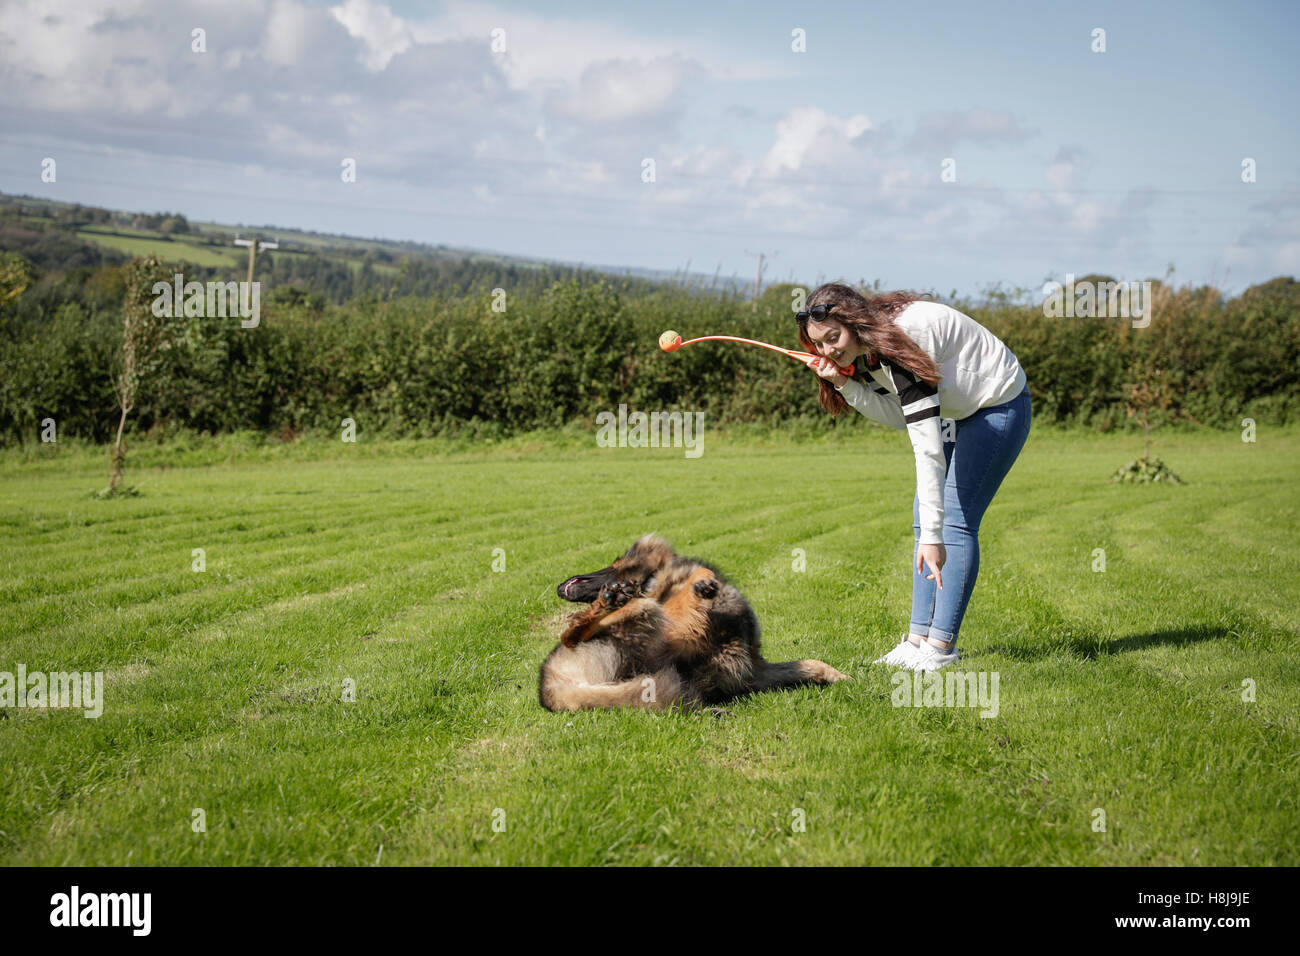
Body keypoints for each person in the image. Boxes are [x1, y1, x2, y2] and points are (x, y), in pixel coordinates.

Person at [798, 282, 1032, 672]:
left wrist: (933, 537)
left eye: (833, 337)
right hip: (959, 413)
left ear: (853, 321)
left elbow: (926, 448)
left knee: (953, 521)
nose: (828, 351)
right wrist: (842, 383)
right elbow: (901, 417)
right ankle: (917, 640)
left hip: (997, 404)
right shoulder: (870, 352)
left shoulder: (903, 341)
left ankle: (940, 648)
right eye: (819, 345)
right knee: (924, 514)